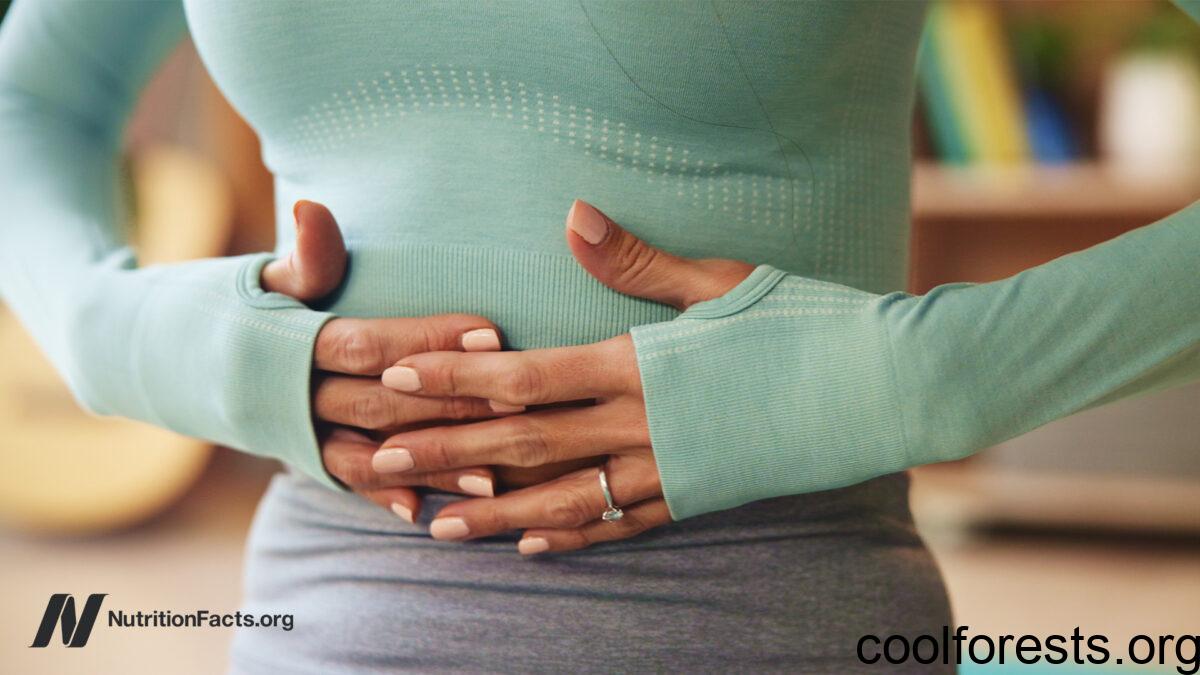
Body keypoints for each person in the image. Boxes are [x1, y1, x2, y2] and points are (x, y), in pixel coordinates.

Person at [0, 1, 1195, 672]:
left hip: (767, 616)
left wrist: (918, 377)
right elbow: (29, 97)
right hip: (324, 619)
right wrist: (127, 338)